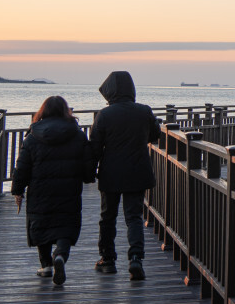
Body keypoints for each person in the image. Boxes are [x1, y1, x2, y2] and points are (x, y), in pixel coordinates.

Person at [11, 95, 95, 286]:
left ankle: (46, 264)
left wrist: (17, 189)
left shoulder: (32, 137)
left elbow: (22, 166)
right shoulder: (78, 135)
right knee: (66, 224)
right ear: (66, 111)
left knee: (41, 222)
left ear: (43, 111)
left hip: (40, 190)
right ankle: (60, 256)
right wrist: (88, 177)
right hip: (68, 189)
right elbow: (88, 164)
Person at [90, 71, 161, 280]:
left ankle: (108, 260)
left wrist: (89, 171)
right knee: (134, 217)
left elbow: (95, 146)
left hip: (110, 172)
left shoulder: (104, 115)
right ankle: (136, 258)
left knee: (107, 217)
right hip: (137, 171)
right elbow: (155, 135)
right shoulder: (143, 111)